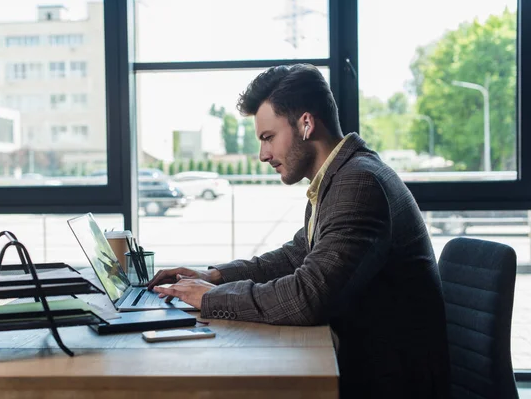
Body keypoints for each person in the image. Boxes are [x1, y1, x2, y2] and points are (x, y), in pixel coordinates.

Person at [148, 64, 450, 398]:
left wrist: (209, 298)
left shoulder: (358, 182)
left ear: (306, 123)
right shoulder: (338, 177)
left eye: (268, 138)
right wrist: (215, 276)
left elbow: (308, 297)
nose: (263, 155)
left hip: (391, 384)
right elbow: (295, 257)